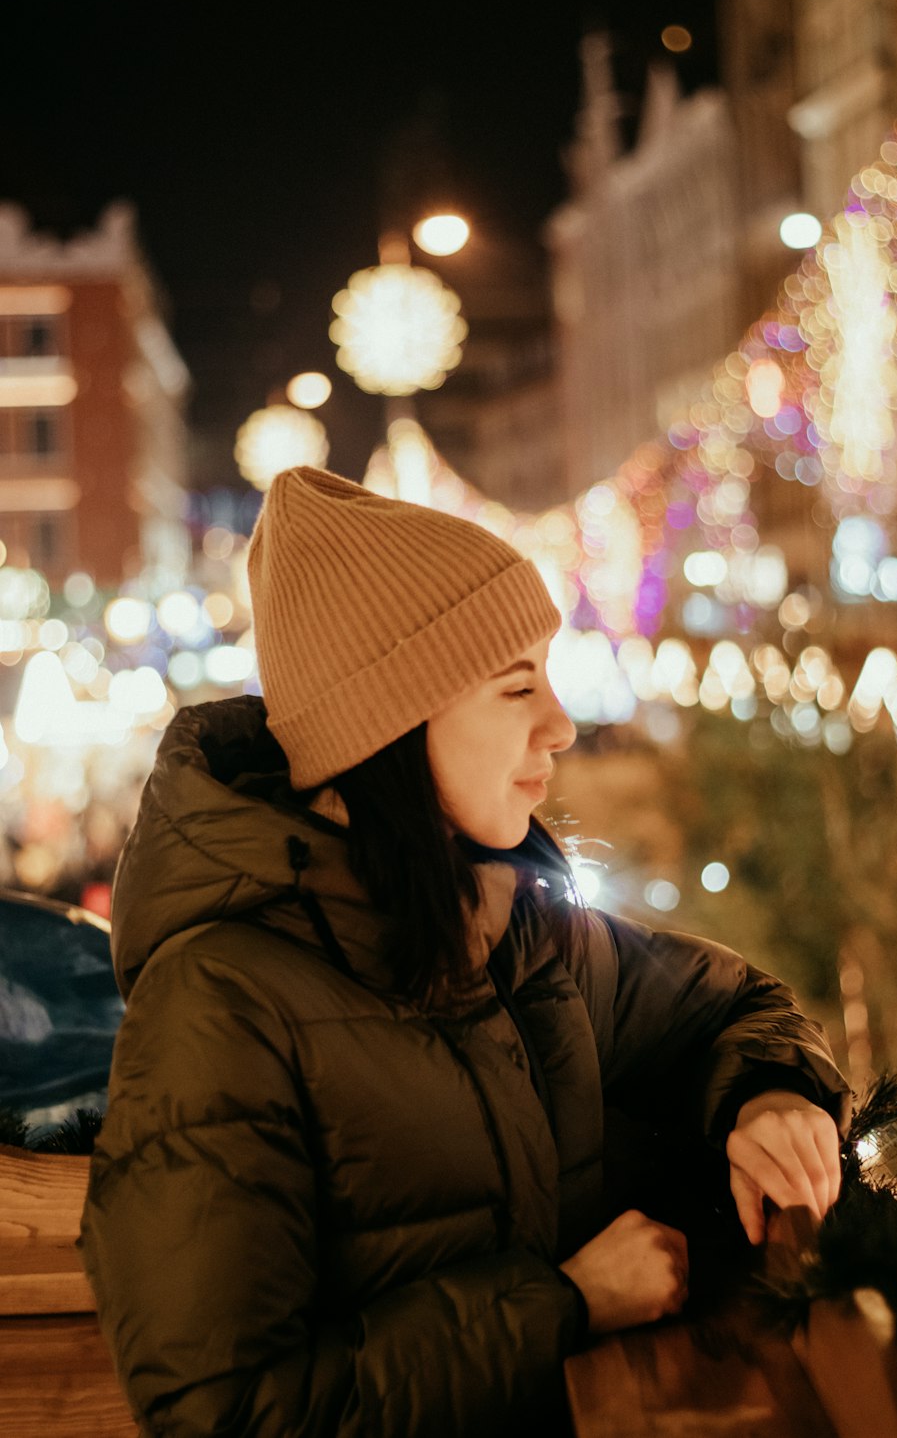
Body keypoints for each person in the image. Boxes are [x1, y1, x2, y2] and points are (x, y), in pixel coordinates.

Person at [80, 467, 850, 1437]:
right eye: (516, 685)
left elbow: (731, 1007)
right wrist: (564, 1305)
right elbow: (225, 1414)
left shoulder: (512, 928)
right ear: (388, 724)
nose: (562, 725)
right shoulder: (219, 1008)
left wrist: (772, 1098)